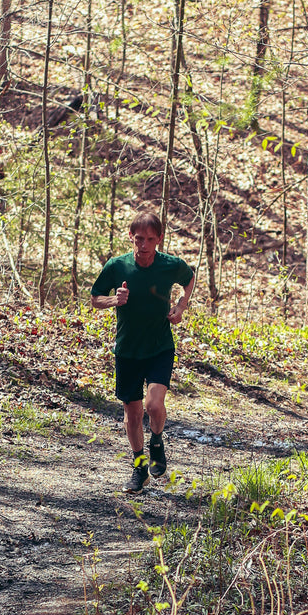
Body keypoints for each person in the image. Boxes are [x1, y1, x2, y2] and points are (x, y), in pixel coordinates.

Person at [91, 210, 195, 493]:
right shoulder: (117, 266)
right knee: (133, 413)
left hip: (160, 347)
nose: (144, 245)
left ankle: (157, 441)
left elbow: (189, 278)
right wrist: (114, 299)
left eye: (150, 239)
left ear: (159, 239)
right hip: (127, 351)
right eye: (139, 239)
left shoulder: (170, 265)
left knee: (153, 405)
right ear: (131, 237)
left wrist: (181, 306)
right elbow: (94, 298)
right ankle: (139, 468)